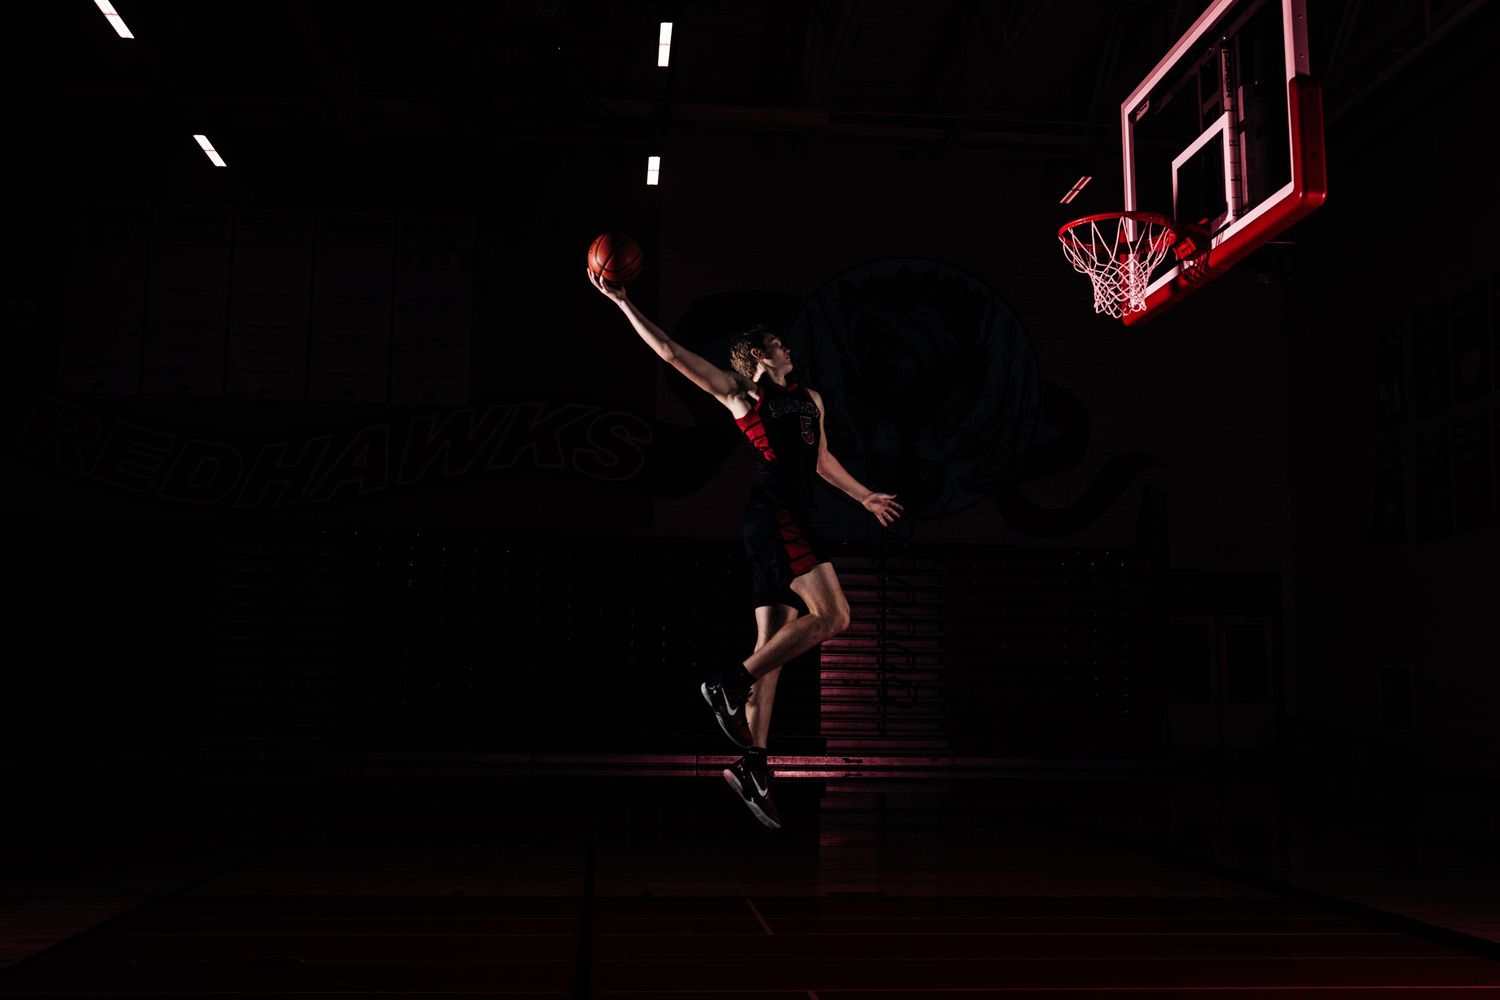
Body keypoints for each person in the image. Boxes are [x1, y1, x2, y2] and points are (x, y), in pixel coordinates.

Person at [589, 269, 902, 829]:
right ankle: (727, 683)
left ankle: (753, 762)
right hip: (773, 514)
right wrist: (623, 301)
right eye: (779, 342)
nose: (789, 347)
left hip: (789, 517)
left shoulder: (811, 400)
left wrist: (864, 497)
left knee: (774, 649)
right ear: (758, 353)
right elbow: (671, 353)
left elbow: (823, 461)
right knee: (835, 616)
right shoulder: (743, 394)